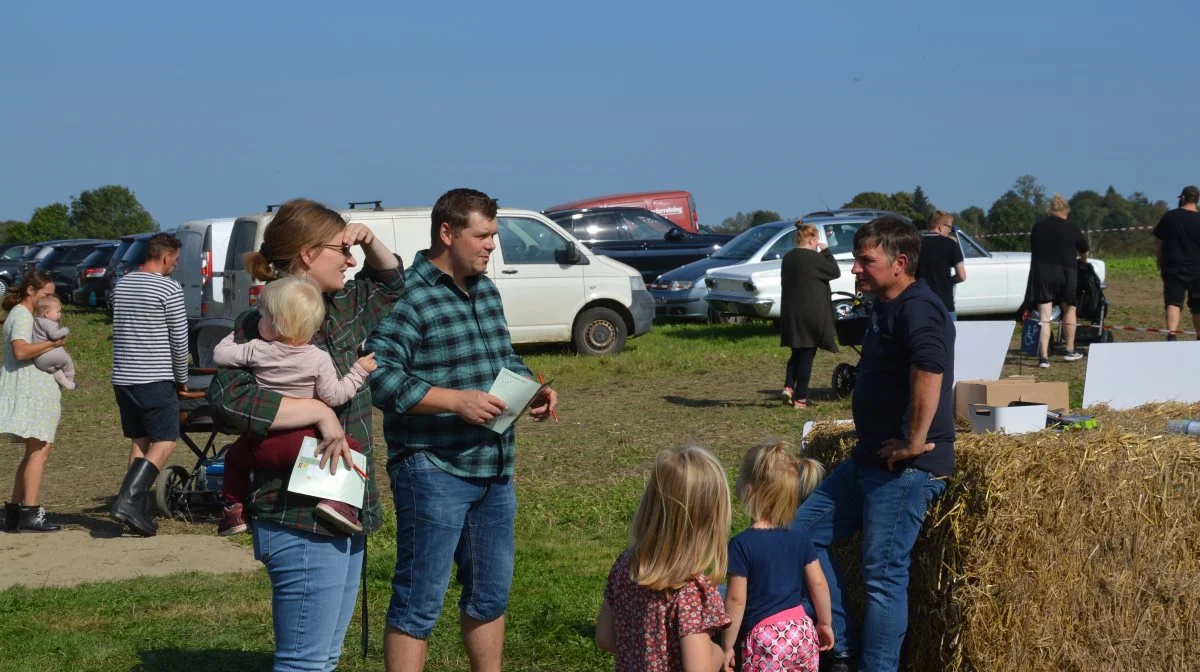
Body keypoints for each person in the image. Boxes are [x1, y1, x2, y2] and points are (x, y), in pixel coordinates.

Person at [366, 188, 558, 672]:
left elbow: (502, 360)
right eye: (483, 235)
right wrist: (455, 401)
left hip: (493, 468)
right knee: (418, 602)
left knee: (490, 594)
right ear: (447, 233)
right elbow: (380, 376)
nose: (492, 245)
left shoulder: (487, 290)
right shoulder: (407, 294)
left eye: (494, 234)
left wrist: (531, 388)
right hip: (431, 467)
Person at [207, 197, 402, 672]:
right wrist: (316, 409)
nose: (351, 259)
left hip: (344, 501)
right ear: (309, 255)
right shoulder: (266, 318)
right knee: (305, 663)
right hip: (298, 513)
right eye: (342, 249)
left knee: (322, 659)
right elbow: (228, 398)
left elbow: (394, 283)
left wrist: (370, 238)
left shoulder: (345, 305)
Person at [791, 216, 955, 672]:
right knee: (801, 536)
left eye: (866, 261)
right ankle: (841, 648)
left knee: (883, 576)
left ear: (899, 263)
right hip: (868, 458)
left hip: (902, 469)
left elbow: (930, 370)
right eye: (856, 260)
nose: (855, 270)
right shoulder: (887, 303)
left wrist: (915, 443)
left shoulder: (920, 308)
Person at [211, 276, 378, 537]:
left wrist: (236, 333)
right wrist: (358, 371)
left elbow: (219, 354)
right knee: (353, 449)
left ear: (278, 324)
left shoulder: (256, 349)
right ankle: (337, 502)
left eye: (263, 317)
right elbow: (335, 396)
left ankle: (234, 509)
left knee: (232, 458)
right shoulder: (318, 358)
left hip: (261, 441)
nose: (258, 321)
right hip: (305, 444)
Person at [594, 444, 732, 672]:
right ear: (710, 522)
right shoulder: (688, 592)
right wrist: (717, 653)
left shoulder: (626, 565)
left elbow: (605, 639)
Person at [722, 440, 834, 672]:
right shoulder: (800, 533)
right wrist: (825, 623)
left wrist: (727, 645)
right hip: (802, 631)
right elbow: (819, 583)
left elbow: (736, 600)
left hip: (767, 637)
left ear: (748, 489)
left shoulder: (741, 544)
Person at [109, 232, 188, 537]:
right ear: (165, 256)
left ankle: (135, 513)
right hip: (153, 377)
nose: (175, 266)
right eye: (176, 260)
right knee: (165, 441)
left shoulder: (122, 283)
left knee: (141, 442)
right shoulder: (168, 289)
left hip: (123, 378)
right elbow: (179, 339)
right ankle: (127, 502)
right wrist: (181, 378)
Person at [1, 272, 65, 533]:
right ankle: (30, 511)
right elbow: (20, 350)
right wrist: (52, 344)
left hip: (34, 390)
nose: (49, 299)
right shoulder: (22, 315)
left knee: (34, 451)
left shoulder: (27, 315)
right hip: (28, 391)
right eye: (45, 294)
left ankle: (16, 510)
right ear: (30, 291)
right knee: (39, 449)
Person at [780, 222, 841, 409]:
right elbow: (834, 271)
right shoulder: (814, 258)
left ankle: (789, 386)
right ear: (812, 240)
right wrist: (826, 252)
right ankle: (801, 398)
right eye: (816, 241)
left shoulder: (788, 258)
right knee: (807, 355)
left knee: (797, 350)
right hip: (811, 314)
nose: (817, 244)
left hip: (791, 313)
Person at [1024, 194, 1088, 368]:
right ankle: (1069, 349)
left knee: (1044, 316)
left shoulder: (1038, 227)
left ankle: (1043, 357)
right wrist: (1084, 259)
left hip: (1042, 272)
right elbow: (1084, 248)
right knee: (1070, 309)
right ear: (1066, 211)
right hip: (1066, 272)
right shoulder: (1071, 227)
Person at [1153, 185, 1200, 341]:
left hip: (1173, 267)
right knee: (1198, 306)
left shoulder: (1170, 217)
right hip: (1198, 269)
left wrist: (1160, 261)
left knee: (1173, 302)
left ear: (1182, 198)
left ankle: (1172, 335)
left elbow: (1158, 243)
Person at [915, 210, 966, 320]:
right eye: (950, 227)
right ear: (942, 226)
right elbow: (962, 276)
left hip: (919, 302)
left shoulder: (915, 243)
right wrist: (949, 280)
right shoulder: (950, 244)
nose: (950, 231)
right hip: (944, 304)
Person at [30, 295, 77, 390]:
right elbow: (54, 335)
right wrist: (65, 330)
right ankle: (70, 381)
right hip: (50, 354)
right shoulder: (49, 323)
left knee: (55, 370)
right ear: (47, 313)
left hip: (38, 360)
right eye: (58, 312)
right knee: (67, 361)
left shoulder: (37, 321)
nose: (60, 314)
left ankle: (63, 381)